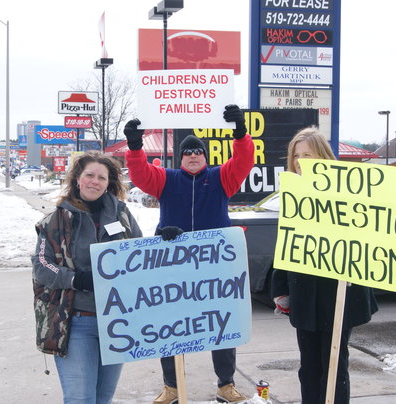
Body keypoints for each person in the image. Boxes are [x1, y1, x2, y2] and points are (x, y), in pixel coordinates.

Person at [123, 105, 255, 404]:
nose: (193, 155)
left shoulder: (223, 177)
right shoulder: (167, 179)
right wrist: (134, 147)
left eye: (198, 151)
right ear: (179, 158)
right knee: (170, 327)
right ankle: (172, 386)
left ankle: (226, 384)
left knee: (222, 326)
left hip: (215, 270)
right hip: (173, 270)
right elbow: (141, 174)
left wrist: (240, 132)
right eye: (187, 152)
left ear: (205, 156)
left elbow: (244, 160)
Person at [270, 127, 378, 404]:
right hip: (305, 292)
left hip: (338, 291)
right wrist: (280, 287)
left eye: (308, 154)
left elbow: (366, 238)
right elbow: (286, 243)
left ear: (323, 156)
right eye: (297, 156)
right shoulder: (292, 194)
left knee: (333, 365)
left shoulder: (348, 192)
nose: (301, 161)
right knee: (309, 367)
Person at [31, 151, 143, 404]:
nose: (95, 181)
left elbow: (141, 255)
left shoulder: (122, 215)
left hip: (117, 323)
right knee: (80, 398)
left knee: (103, 399)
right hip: (76, 322)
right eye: (89, 175)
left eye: (101, 177)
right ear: (77, 179)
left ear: (109, 183)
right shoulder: (55, 220)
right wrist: (75, 279)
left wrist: (168, 240)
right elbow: (41, 265)